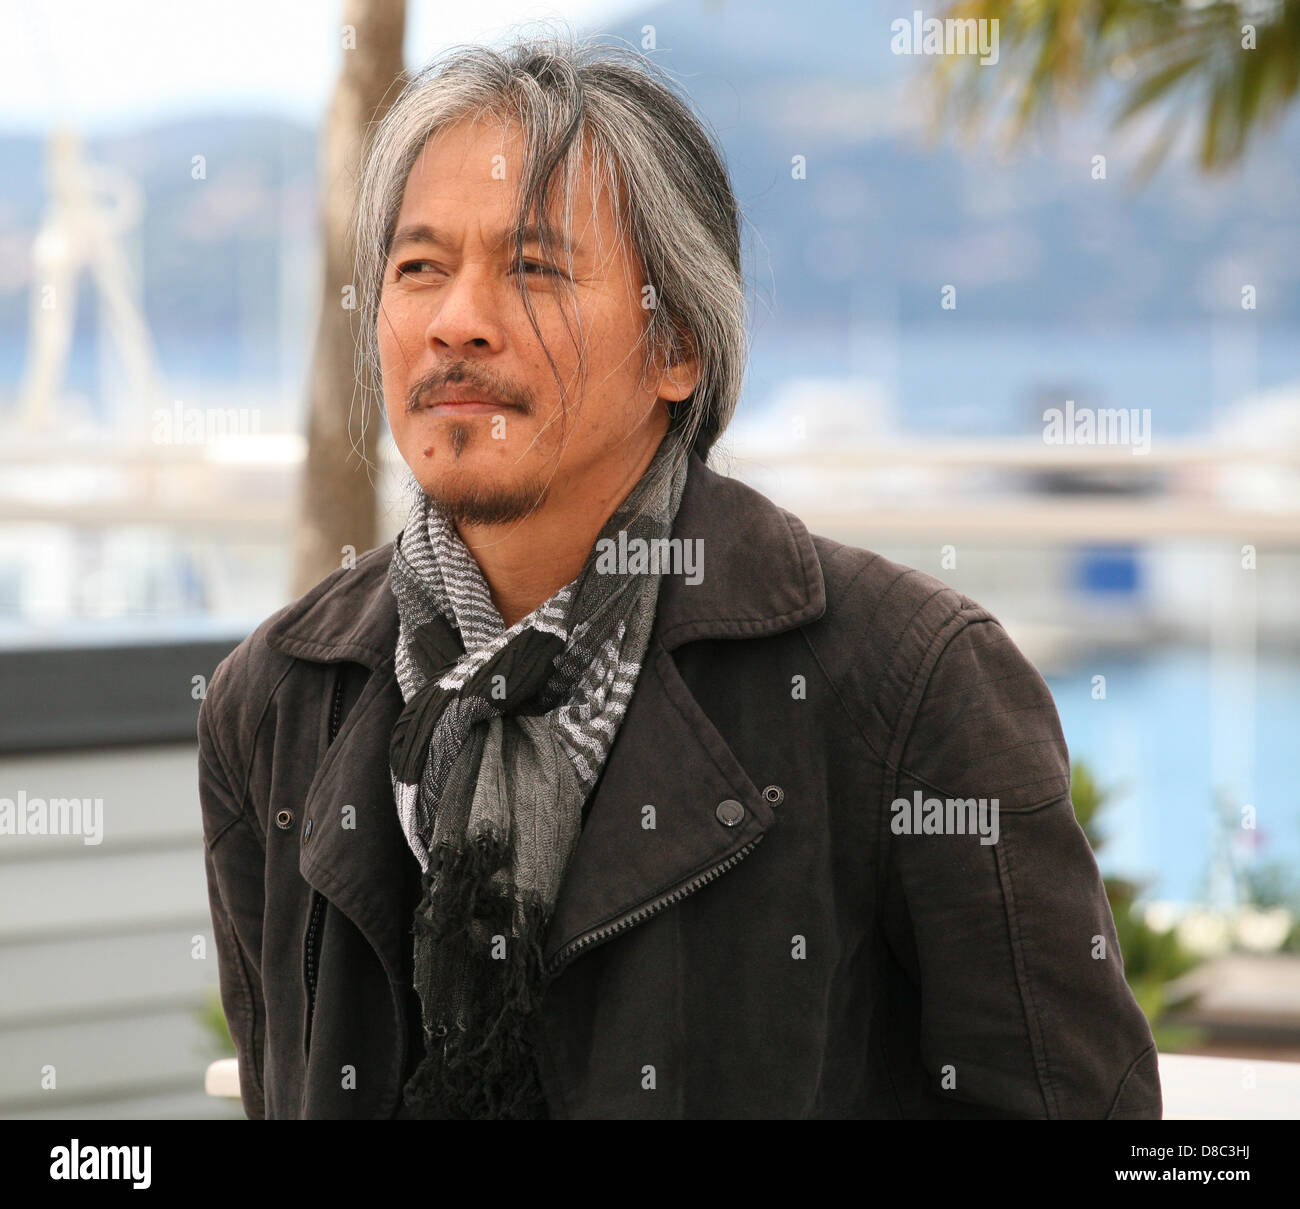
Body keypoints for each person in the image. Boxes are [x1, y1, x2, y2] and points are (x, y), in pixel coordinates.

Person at [198, 34, 1162, 1120]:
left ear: (680, 348)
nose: (455, 319)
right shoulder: (276, 701)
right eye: (418, 268)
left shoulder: (910, 686)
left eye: (532, 268)